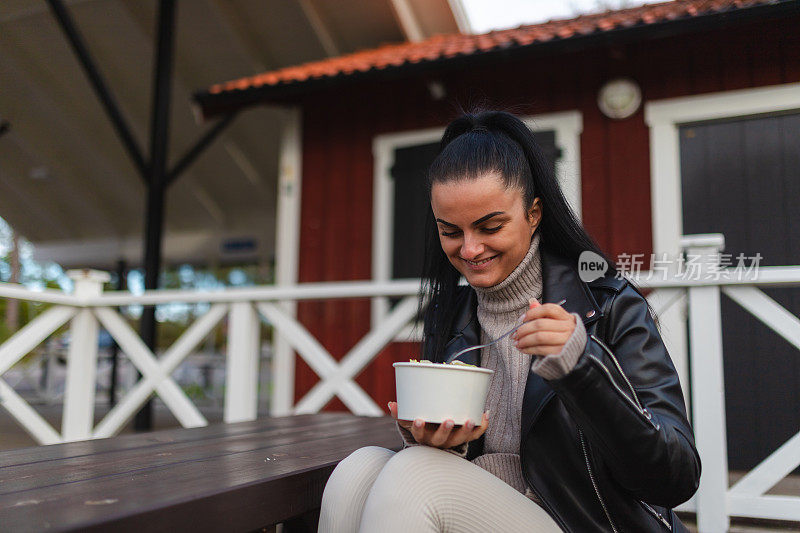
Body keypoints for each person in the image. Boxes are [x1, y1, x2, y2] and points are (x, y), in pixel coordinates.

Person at [318, 110, 700, 532]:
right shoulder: (452, 316)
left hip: (584, 524)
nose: (469, 249)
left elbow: (675, 477)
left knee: (413, 475)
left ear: (534, 213)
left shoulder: (606, 304)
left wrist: (582, 366)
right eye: (450, 231)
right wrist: (443, 443)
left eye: (490, 226)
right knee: (357, 471)